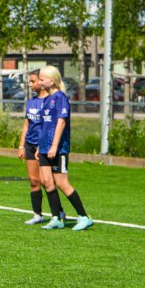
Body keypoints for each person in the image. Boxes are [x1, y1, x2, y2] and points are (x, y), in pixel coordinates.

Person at [35, 65, 93, 231]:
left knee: (62, 183)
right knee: (46, 181)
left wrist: (54, 146)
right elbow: (45, 125)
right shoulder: (45, 100)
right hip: (45, 148)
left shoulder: (60, 98)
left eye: (41, 79)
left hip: (58, 149)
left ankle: (84, 216)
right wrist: (41, 146)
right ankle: (56, 218)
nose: (39, 82)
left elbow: (61, 122)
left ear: (51, 81)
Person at [16, 70, 47, 224]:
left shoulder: (50, 101)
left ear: (41, 82)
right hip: (30, 144)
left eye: (33, 81)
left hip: (44, 145)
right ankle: (37, 214)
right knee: (33, 180)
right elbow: (27, 123)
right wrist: (21, 145)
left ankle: (58, 211)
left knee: (46, 180)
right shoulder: (31, 102)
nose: (31, 84)